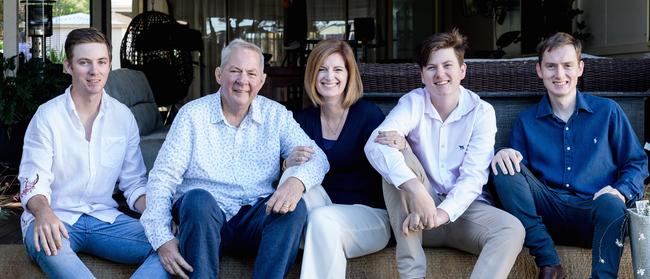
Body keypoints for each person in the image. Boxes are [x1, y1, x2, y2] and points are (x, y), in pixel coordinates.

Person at [140, 39, 329, 279]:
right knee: (198, 200)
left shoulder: (276, 115)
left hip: (254, 216)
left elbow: (319, 158)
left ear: (261, 81)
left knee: (293, 208)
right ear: (219, 75)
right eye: (235, 71)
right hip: (204, 220)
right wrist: (162, 239)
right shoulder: (192, 115)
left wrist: (296, 182)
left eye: (251, 73)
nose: (243, 81)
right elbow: (162, 178)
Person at [364, 29, 525, 279]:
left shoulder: (481, 112)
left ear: (462, 70)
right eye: (431, 68)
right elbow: (374, 145)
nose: (440, 74)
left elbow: (473, 179)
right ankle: (412, 275)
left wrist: (441, 214)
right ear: (422, 75)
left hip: (464, 213)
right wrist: (418, 191)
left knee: (511, 229)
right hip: (417, 216)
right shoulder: (413, 103)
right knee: (394, 155)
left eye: (448, 65)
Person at [490, 32, 648, 279]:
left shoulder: (607, 112)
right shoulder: (526, 121)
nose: (559, 74)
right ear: (539, 70)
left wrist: (621, 191)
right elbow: (519, 183)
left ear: (580, 68)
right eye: (551, 66)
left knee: (612, 203)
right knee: (503, 165)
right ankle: (550, 264)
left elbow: (637, 162)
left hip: (595, 212)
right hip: (547, 213)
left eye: (567, 66)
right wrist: (502, 153)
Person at [18, 28, 167, 278]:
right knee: (44, 237)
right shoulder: (47, 116)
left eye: (101, 62)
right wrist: (43, 213)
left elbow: (134, 184)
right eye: (84, 62)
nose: (94, 71)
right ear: (68, 66)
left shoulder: (123, 117)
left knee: (171, 244)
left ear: (109, 65)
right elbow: (33, 182)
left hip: (105, 219)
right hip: (55, 218)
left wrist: (158, 214)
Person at [282, 39, 392, 278]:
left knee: (321, 221)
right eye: (322, 68)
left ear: (349, 74)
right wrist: (286, 164)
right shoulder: (303, 120)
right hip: (322, 210)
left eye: (337, 69)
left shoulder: (368, 116)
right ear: (312, 74)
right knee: (293, 175)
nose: (329, 76)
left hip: (369, 216)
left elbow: (391, 164)